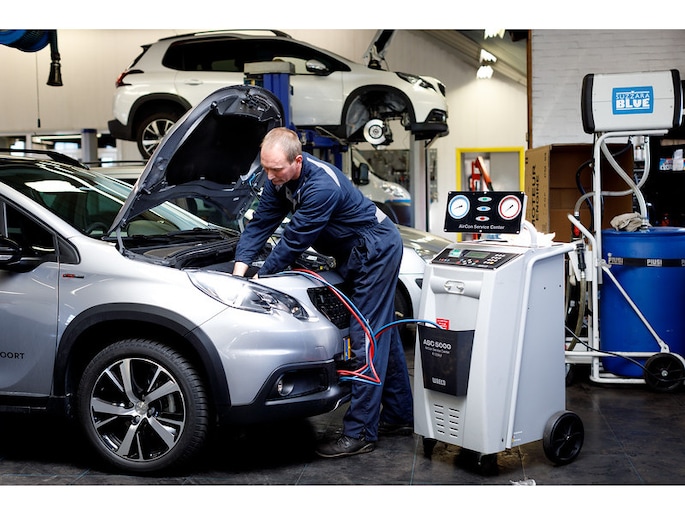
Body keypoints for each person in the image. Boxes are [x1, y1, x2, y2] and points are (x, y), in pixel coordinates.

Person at [233, 127, 413, 458]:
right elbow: (260, 224)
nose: (270, 176)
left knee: (366, 336)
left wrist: (263, 275)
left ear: (297, 161)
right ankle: (399, 415)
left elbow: (295, 238)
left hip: (375, 248)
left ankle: (360, 432)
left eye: (276, 169)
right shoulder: (277, 181)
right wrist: (239, 268)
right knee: (380, 331)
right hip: (353, 251)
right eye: (266, 167)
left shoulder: (322, 185)